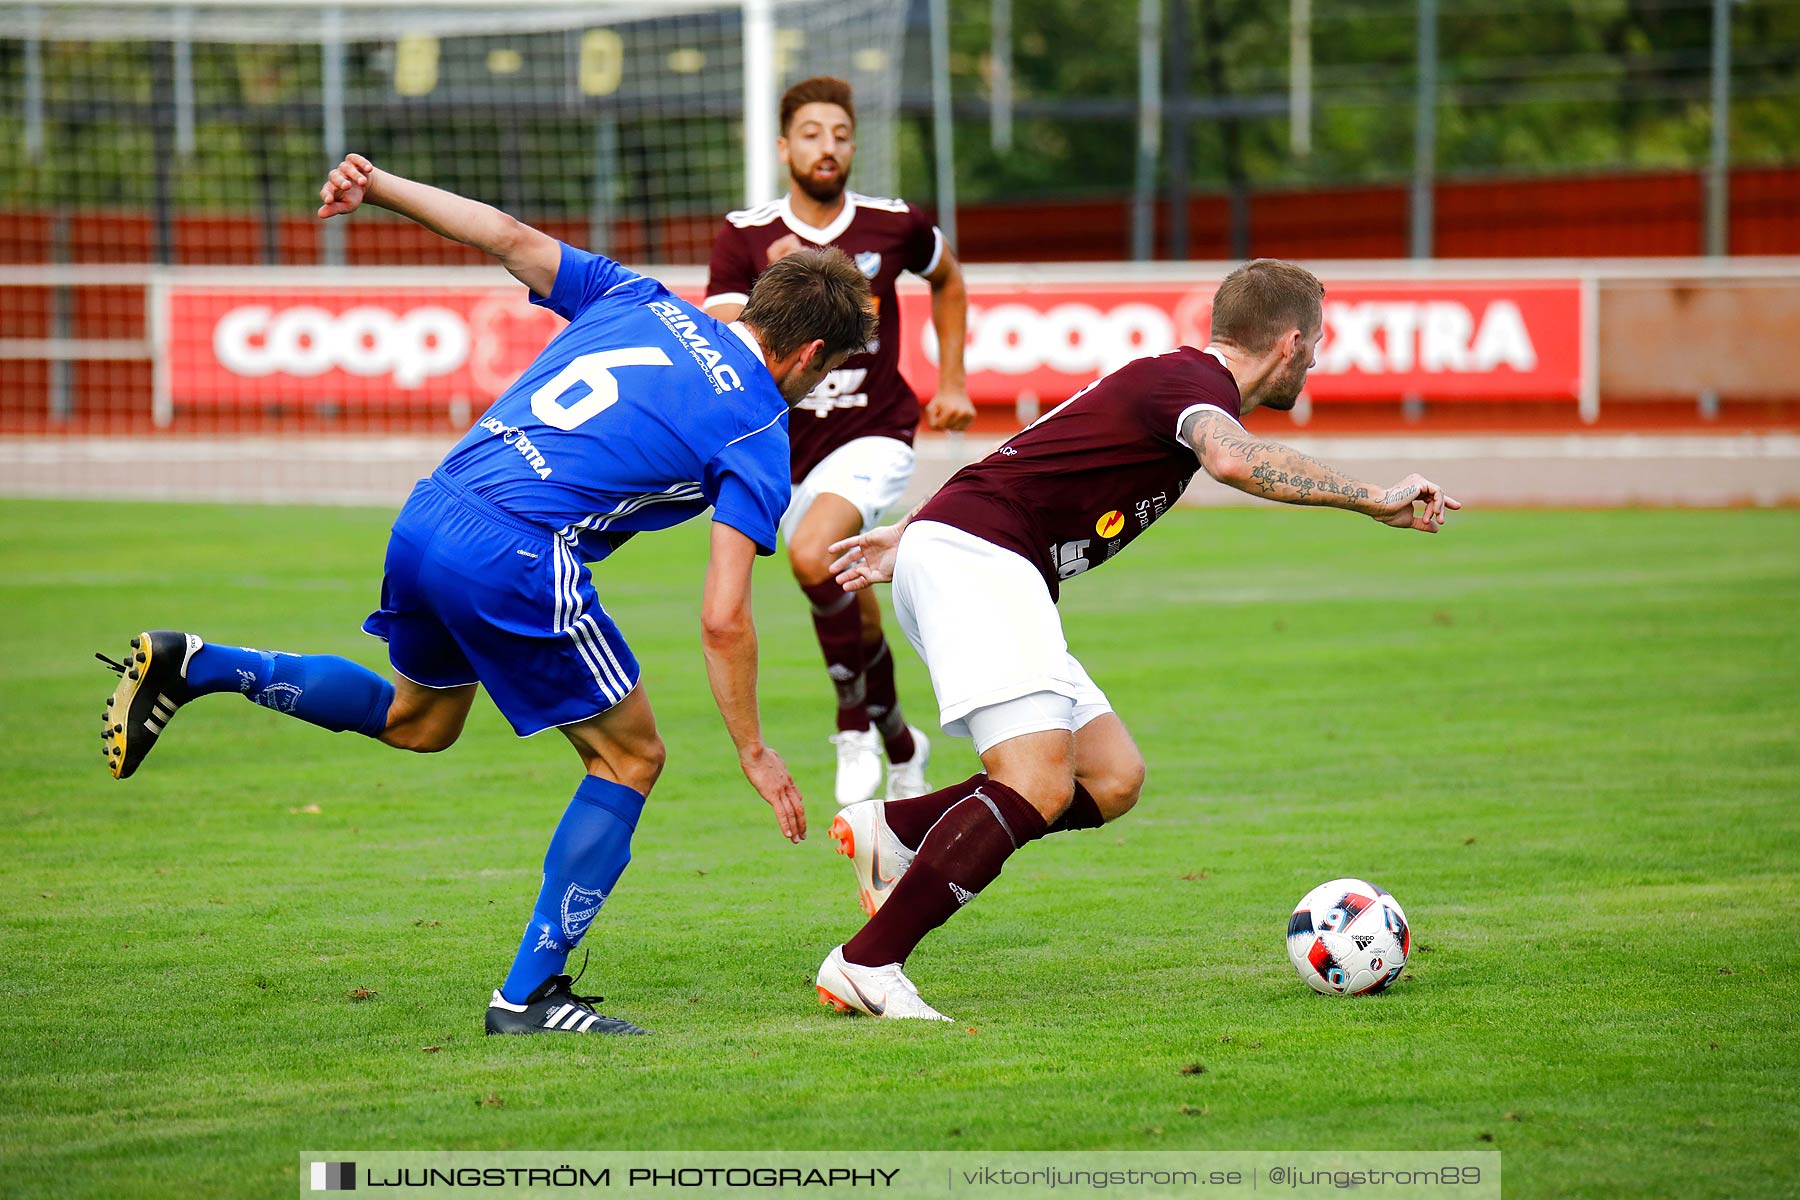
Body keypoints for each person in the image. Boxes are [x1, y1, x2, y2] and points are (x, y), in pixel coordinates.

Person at [96, 152, 874, 1036]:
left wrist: (378, 186)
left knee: (418, 722)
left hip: (433, 510)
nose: (817, 387)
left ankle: (198, 665)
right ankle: (531, 996)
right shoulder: (761, 426)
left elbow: (505, 236)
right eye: (827, 370)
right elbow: (723, 613)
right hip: (517, 554)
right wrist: (755, 751)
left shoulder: (639, 297)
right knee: (631, 759)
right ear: (809, 353)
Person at [809, 259, 1461, 1020]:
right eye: (1314, 347)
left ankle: (897, 830)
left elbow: (1033, 446)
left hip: (975, 555)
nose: (1315, 362)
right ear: (1289, 343)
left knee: (1111, 777)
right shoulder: (1195, 387)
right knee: (1038, 782)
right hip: (982, 561)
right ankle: (868, 960)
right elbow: (1232, 458)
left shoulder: (1169, 379)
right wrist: (1374, 498)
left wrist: (918, 533)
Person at [703, 76, 976, 809]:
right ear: (785, 145)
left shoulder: (894, 224)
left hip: (874, 429)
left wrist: (951, 380)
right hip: (782, 446)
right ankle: (900, 740)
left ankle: (852, 724)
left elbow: (947, 279)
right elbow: (729, 333)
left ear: (854, 145)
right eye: (814, 134)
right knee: (845, 599)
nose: (829, 147)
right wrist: (793, 270)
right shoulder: (745, 233)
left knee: (809, 553)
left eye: (842, 135)